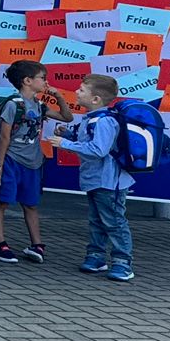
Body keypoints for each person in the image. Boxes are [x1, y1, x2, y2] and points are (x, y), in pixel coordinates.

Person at [57, 74, 136, 281]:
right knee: (97, 220)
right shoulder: (92, 119)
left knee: (114, 221)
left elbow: (98, 150)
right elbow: (89, 142)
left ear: (95, 99)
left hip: (109, 181)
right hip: (96, 179)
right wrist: (68, 136)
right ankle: (96, 256)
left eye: (82, 90)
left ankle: (123, 262)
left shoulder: (104, 121)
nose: (76, 92)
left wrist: (65, 144)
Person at [0, 60, 72, 264]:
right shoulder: (13, 105)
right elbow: (4, 137)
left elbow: (67, 117)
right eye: (42, 78)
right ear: (27, 81)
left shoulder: (39, 105)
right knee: (2, 201)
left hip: (33, 162)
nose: (46, 82)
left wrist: (58, 96)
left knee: (31, 203)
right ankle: (1, 243)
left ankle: (36, 244)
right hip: (12, 159)